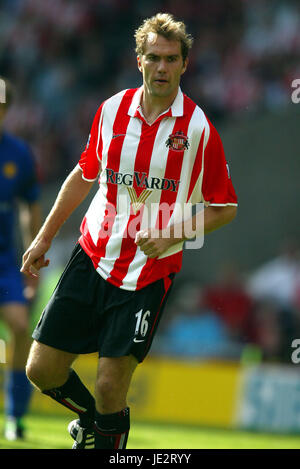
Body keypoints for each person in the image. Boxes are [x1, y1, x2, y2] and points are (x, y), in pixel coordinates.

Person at [21, 13, 238, 450]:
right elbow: (84, 175)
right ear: (139, 60)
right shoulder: (111, 110)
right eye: (154, 57)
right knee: (41, 370)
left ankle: (106, 435)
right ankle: (97, 424)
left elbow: (225, 207)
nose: (162, 67)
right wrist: (44, 236)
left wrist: (172, 234)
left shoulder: (198, 129)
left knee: (109, 386)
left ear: (184, 65)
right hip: (93, 254)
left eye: (171, 59)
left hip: (148, 272)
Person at [0, 77, 42, 440]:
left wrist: (35, 249)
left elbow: (30, 206)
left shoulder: (18, 153)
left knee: (18, 326)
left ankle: (15, 416)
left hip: (4, 259)